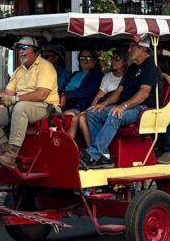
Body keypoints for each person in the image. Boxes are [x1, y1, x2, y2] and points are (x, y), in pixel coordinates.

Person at [0, 36, 60, 169]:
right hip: (23, 106)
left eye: (24, 47)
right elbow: (9, 93)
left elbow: (41, 94)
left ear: (35, 50)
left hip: (46, 107)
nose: (20, 51)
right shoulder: (19, 70)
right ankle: (5, 152)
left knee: (20, 107)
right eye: (18, 48)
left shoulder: (45, 67)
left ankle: (11, 155)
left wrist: (15, 99)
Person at [83, 38, 160, 169]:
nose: (129, 50)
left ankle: (93, 154)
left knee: (115, 114)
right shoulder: (133, 68)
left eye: (132, 47)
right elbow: (119, 91)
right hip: (128, 106)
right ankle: (104, 157)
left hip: (143, 109)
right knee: (92, 113)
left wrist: (123, 106)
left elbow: (144, 94)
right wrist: (104, 103)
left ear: (143, 48)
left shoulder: (150, 66)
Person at [71, 51, 127, 143]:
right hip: (103, 106)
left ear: (124, 62)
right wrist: (90, 109)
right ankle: (90, 149)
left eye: (116, 59)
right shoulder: (107, 76)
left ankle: (92, 152)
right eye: (112, 58)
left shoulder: (127, 77)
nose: (113, 61)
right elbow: (98, 96)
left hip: (116, 106)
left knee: (85, 117)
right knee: (80, 117)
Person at [62, 49, 104, 114]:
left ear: (95, 61)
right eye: (82, 58)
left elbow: (81, 93)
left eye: (88, 58)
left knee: (62, 118)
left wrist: (63, 94)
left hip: (80, 107)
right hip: (64, 103)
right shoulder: (75, 73)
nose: (85, 60)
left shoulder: (97, 76)